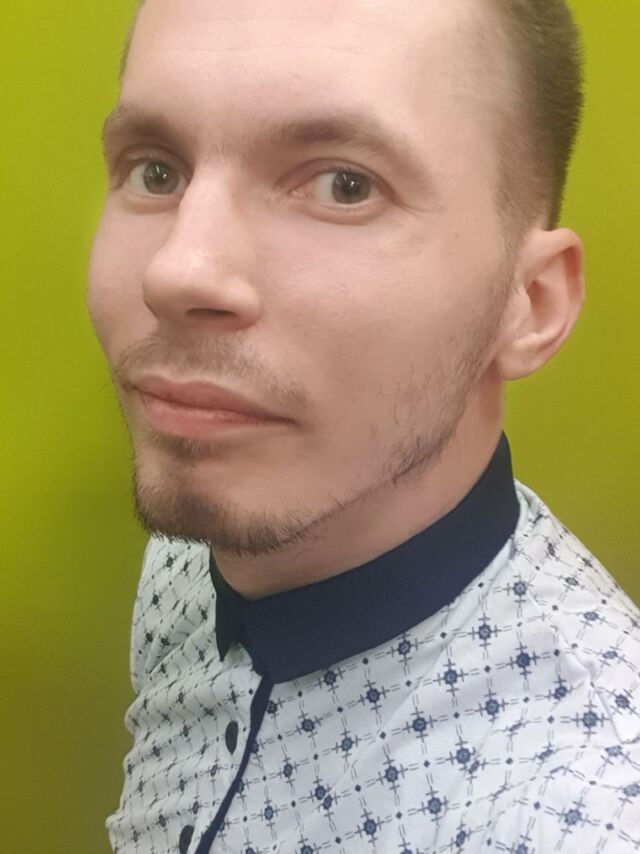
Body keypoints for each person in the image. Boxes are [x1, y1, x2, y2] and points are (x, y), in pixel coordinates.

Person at [88, 0, 640, 851]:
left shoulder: (585, 812)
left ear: (528, 303)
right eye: (157, 171)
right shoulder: (190, 550)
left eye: (343, 185)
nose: (178, 270)